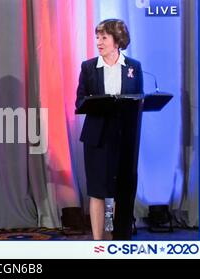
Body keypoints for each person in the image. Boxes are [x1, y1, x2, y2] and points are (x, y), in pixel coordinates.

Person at [75, 19, 143, 240]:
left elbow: (138, 100)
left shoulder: (134, 67)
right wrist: (98, 102)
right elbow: (79, 101)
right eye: (97, 37)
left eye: (104, 37)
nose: (99, 42)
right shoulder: (88, 67)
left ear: (117, 41)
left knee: (123, 190)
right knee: (97, 190)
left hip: (125, 138)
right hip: (97, 137)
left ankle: (121, 239)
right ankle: (97, 242)